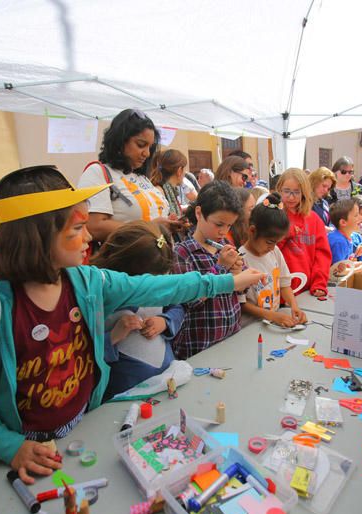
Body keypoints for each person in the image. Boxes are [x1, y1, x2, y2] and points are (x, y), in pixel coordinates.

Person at [0, 166, 263, 482]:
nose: (89, 235)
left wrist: (227, 282)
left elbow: (162, 287)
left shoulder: (87, 283)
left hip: (82, 428)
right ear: (39, 237)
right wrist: (8, 446)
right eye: (77, 228)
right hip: (20, 452)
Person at [90, 221, 185, 400]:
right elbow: (82, 353)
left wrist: (165, 321)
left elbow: (177, 307)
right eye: (146, 284)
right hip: (123, 392)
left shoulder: (158, 278)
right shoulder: (96, 296)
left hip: (166, 381)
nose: (153, 289)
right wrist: (113, 337)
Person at [75, 109, 180, 243]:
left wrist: (168, 222)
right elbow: (94, 227)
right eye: (141, 145)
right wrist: (149, 228)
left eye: (150, 147)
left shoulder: (141, 177)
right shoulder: (98, 173)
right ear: (120, 141)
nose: (147, 153)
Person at [172, 181, 250, 359]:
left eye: (229, 226)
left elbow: (241, 290)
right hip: (199, 348)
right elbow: (189, 301)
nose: (224, 231)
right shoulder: (182, 252)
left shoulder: (225, 246)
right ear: (199, 213)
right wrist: (221, 268)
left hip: (229, 340)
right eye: (219, 224)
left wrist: (238, 274)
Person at [239, 193, 307, 327]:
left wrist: (294, 307)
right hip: (251, 327)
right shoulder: (240, 259)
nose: (272, 248)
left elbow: (284, 283)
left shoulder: (275, 251)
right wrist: (272, 316)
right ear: (252, 231)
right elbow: (242, 304)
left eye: (276, 243)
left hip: (274, 320)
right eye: (269, 242)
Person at [275, 168, 332, 297]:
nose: (291, 197)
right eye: (287, 191)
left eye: (296, 192)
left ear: (304, 193)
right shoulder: (273, 216)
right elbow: (267, 252)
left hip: (308, 289)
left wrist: (319, 283)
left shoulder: (314, 219)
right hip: (281, 290)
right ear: (279, 190)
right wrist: (285, 234)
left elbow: (322, 255)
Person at [151, 149, 190, 217]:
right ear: (179, 171)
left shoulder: (168, 190)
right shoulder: (160, 192)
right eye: (184, 169)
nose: (185, 173)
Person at [328, 198, 362, 264]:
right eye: (356, 215)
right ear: (343, 222)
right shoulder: (338, 242)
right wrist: (361, 266)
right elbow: (337, 272)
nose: (361, 217)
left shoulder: (354, 236)